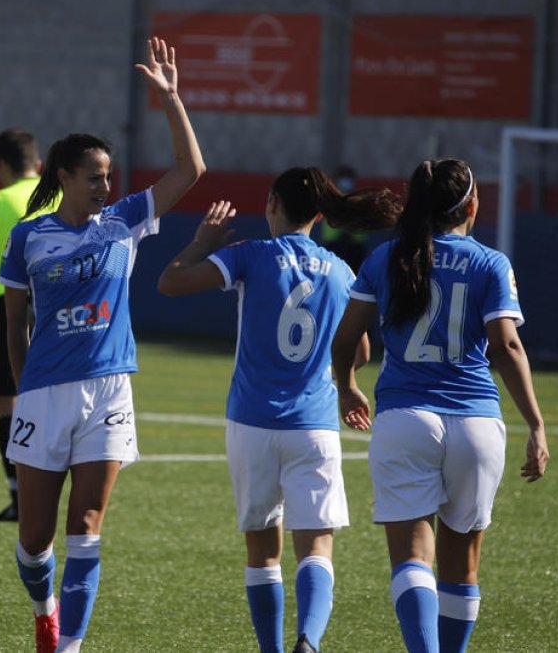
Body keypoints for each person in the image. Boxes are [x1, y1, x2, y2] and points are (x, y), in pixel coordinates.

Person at [1, 36, 204, 653]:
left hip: (110, 388)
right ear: (62, 176)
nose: (105, 186)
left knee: (86, 527)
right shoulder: (27, 238)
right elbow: (15, 324)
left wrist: (171, 100)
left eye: (110, 177)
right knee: (34, 540)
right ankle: (45, 608)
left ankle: (69, 648)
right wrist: (22, 389)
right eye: (94, 177)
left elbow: (190, 171)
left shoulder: (124, 223)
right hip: (43, 395)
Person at [157, 167, 400, 653]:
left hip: (251, 423)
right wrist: (345, 383)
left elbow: (170, 283)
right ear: (318, 214)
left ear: (271, 204)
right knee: (316, 549)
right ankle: (307, 641)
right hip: (314, 425)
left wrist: (201, 241)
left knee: (262, 554)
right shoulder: (340, 270)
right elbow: (362, 351)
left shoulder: (250, 256)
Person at [330, 158, 549, 653]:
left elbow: (345, 340)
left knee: (412, 559)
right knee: (461, 565)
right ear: (472, 205)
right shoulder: (490, 262)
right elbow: (507, 346)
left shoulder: (385, 257)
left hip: (405, 419)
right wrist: (535, 424)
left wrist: (347, 387)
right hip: (476, 424)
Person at [0, 128, 57, 522]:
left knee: (9, 404)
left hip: (7, 306)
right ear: (36, 162)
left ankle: (20, 498)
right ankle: (50, 492)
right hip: (55, 302)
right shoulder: (56, 194)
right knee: (52, 399)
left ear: (1, 165)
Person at [317, 165, 368, 272]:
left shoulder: (359, 200)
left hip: (355, 246)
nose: (345, 183)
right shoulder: (330, 200)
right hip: (333, 245)